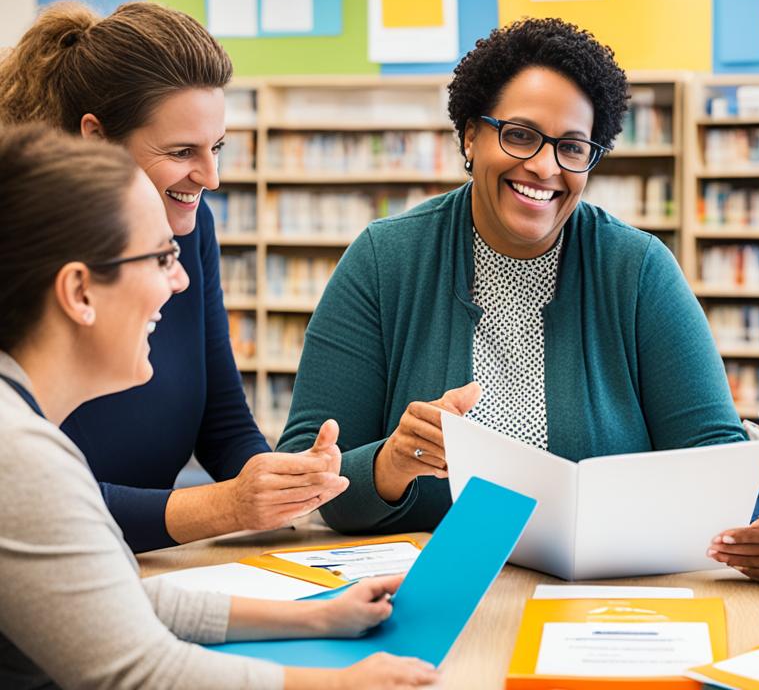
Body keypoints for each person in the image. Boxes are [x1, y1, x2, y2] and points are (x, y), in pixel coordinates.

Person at [277, 17, 759, 583]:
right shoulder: (385, 261)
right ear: (470, 136)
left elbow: (716, 458)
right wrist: (390, 464)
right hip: (425, 588)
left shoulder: (638, 269)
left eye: (572, 147)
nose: (544, 166)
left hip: (607, 596)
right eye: (520, 134)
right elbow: (306, 471)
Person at [0, 124, 438, 689]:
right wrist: (340, 684)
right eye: (161, 258)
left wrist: (319, 614)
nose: (181, 281)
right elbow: (140, 672)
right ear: (80, 292)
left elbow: (111, 602)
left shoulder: (25, 427)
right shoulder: (20, 454)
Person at [0, 0, 346, 552]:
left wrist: (280, 486)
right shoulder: (18, 254)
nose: (211, 177)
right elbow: (26, 495)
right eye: (183, 151)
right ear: (96, 137)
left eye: (218, 148)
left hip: (153, 569)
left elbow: (223, 419)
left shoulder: (187, 227)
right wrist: (224, 506)